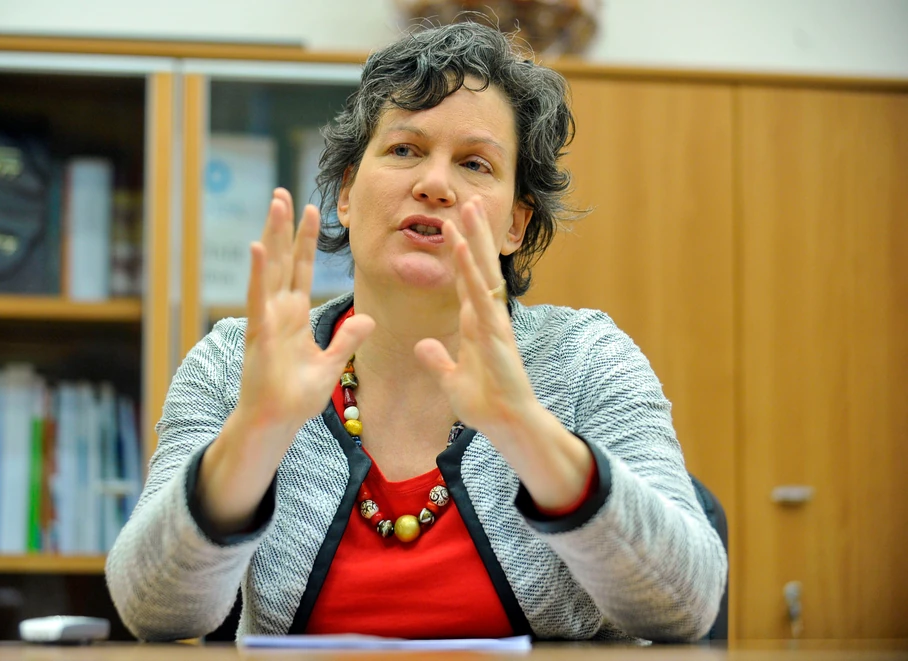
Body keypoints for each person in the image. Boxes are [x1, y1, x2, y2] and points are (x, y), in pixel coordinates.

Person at [106, 20, 726, 644]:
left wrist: (528, 432)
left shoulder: (585, 358)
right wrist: (253, 437)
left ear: (514, 224)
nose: (433, 184)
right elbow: (151, 609)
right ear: (347, 193)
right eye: (404, 150)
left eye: (475, 163)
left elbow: (686, 605)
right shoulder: (233, 362)